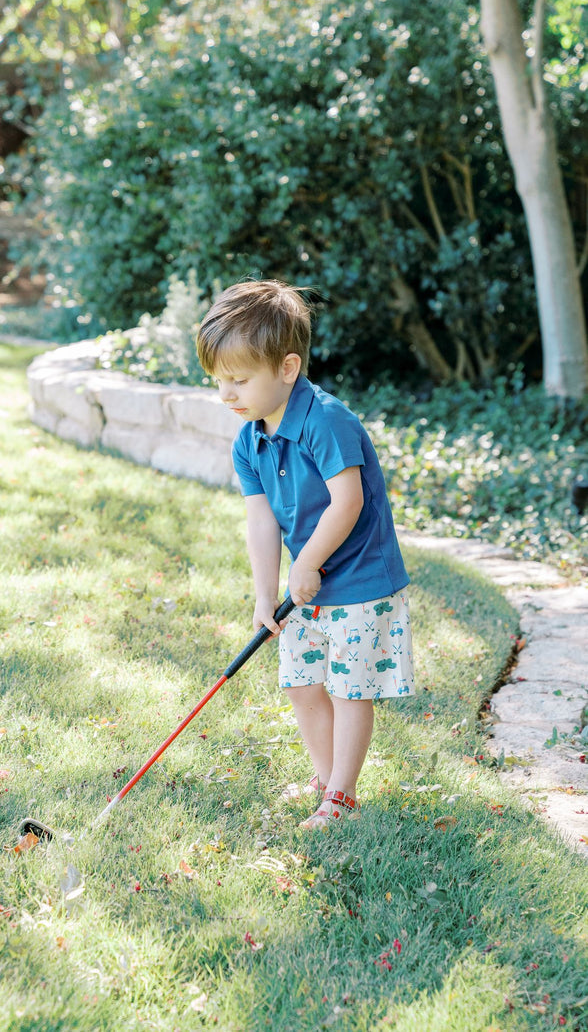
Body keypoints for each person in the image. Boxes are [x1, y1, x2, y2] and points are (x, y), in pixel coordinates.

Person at [196, 279, 414, 829]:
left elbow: (348, 501)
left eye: (239, 380)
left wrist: (307, 562)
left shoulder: (327, 421)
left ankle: (341, 795)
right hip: (305, 589)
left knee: (348, 690)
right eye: (219, 380)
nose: (226, 394)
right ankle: (324, 777)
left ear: (288, 368)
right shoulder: (249, 440)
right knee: (302, 684)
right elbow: (262, 519)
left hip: (360, 581)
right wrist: (264, 594)